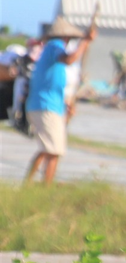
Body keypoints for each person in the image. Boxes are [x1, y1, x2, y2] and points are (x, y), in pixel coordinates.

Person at [25, 16, 96, 184]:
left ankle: (28, 185)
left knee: (47, 148)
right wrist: (85, 42)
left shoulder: (49, 51)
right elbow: (70, 59)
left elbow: (50, 83)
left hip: (48, 105)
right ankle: (45, 187)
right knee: (53, 151)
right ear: (66, 37)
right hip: (46, 106)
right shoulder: (55, 46)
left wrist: (65, 104)